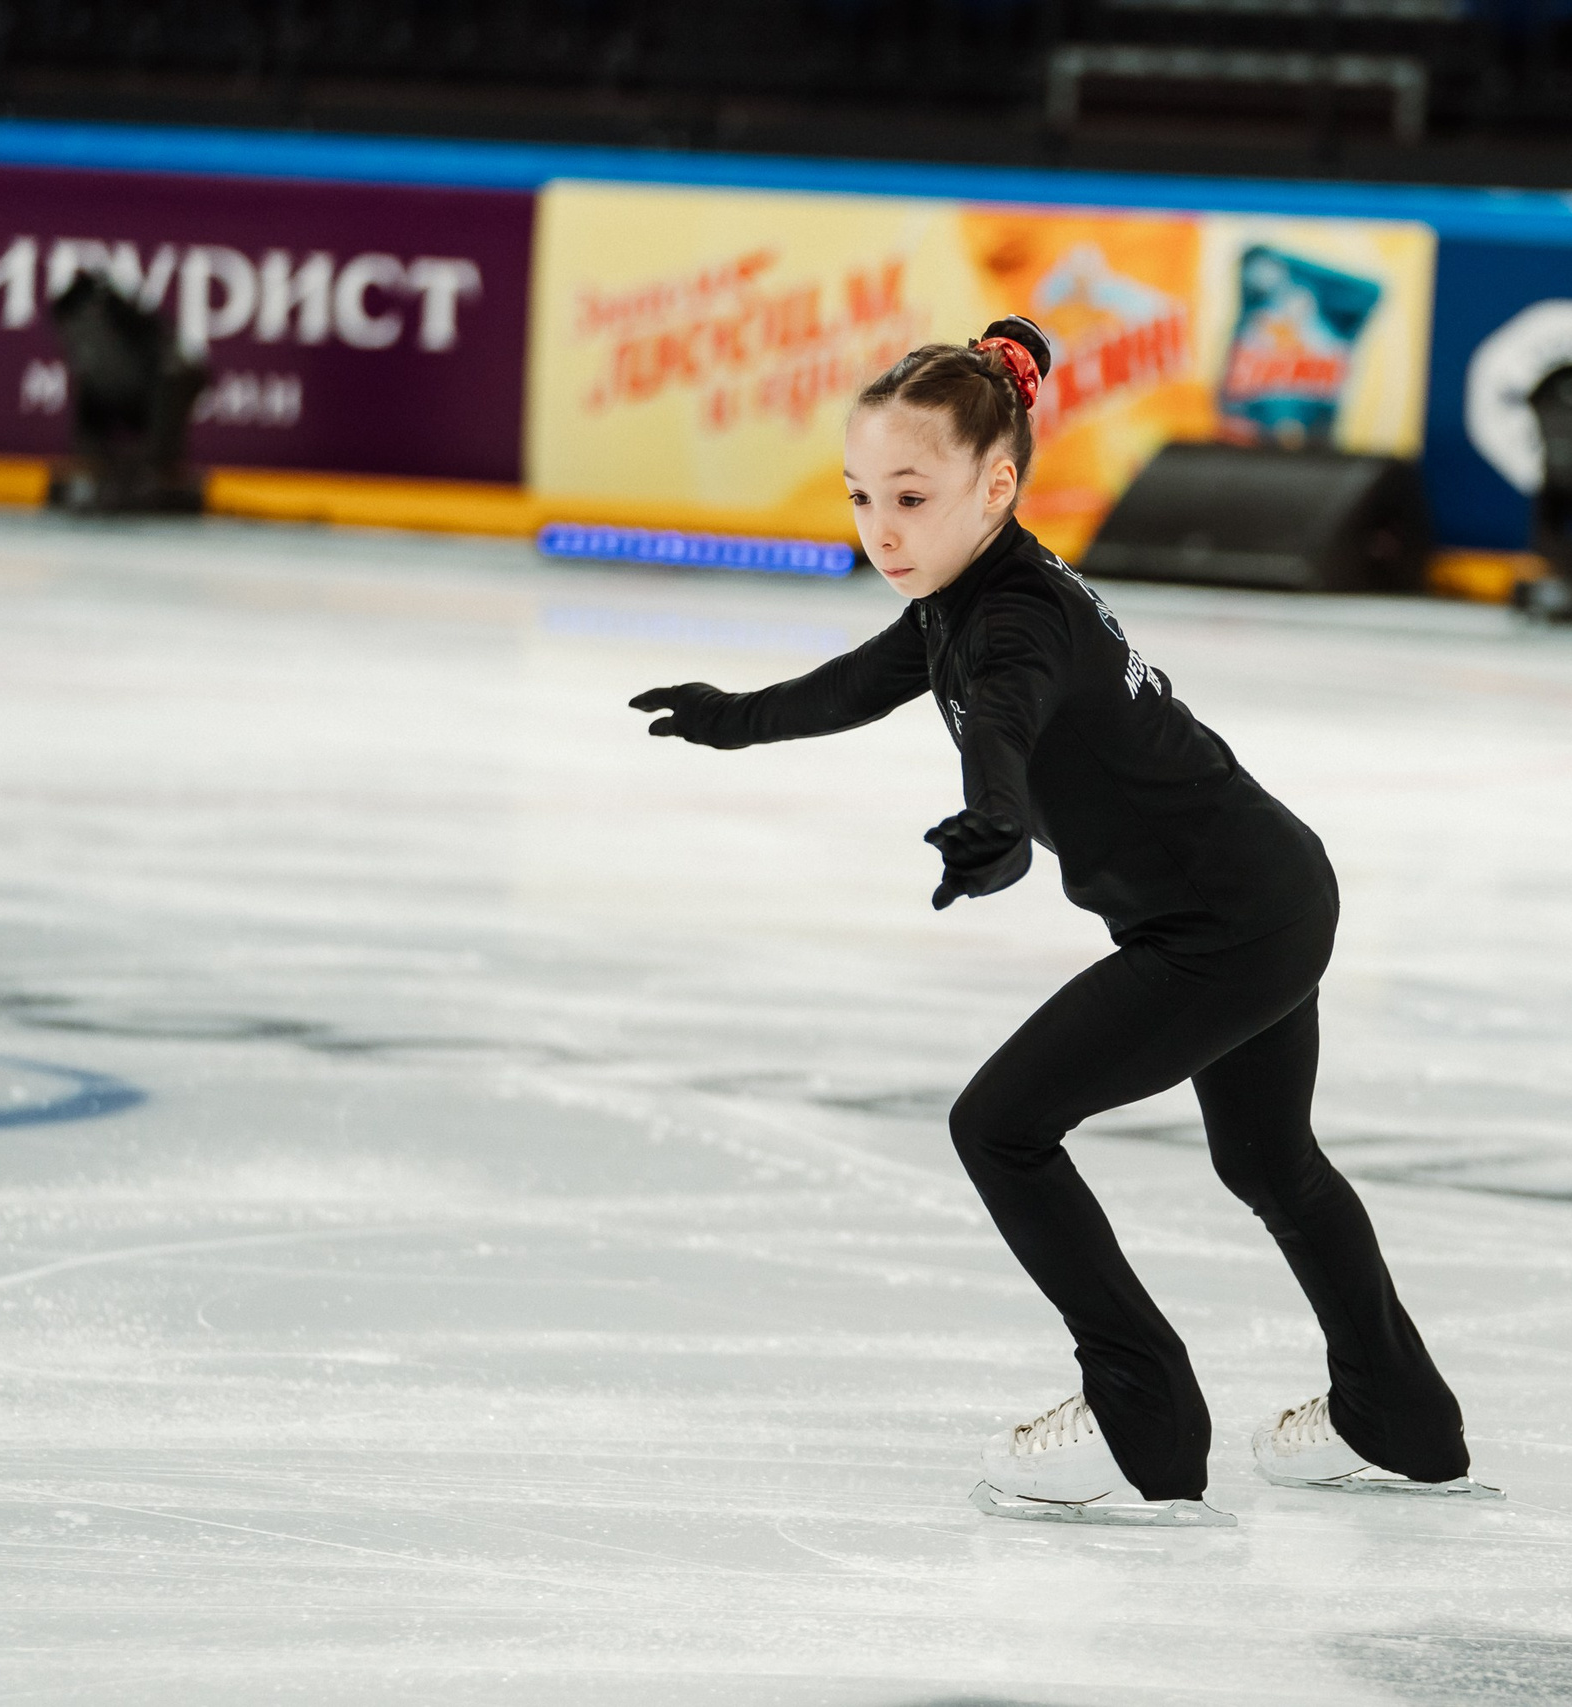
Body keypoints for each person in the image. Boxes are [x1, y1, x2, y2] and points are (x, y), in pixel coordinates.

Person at [629, 317, 1484, 1525]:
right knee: (1266, 1159)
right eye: (861, 494)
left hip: (1221, 926)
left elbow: (1006, 724)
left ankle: (1144, 1414)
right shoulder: (969, 586)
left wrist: (994, 825)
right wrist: (736, 717)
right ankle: (1397, 1419)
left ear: (996, 483)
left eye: (910, 496)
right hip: (1268, 892)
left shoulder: (1012, 619)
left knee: (1001, 1126)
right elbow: (876, 678)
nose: (881, 527)